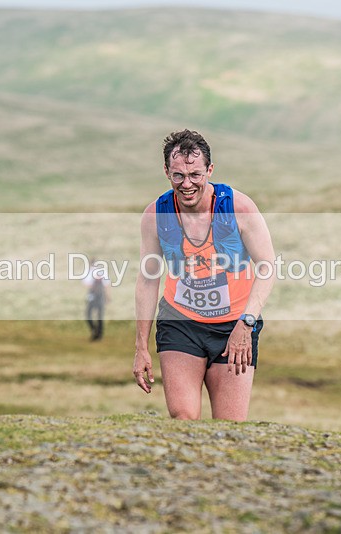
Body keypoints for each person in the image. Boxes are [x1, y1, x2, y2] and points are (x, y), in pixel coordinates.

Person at [133, 129, 276, 421]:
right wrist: (140, 347)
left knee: (230, 427)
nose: (187, 184)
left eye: (196, 175)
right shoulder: (155, 216)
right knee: (183, 420)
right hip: (180, 323)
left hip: (234, 326)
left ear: (210, 170)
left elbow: (267, 266)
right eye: (178, 176)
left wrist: (245, 325)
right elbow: (148, 279)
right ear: (166, 172)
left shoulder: (239, 208)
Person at [83, 258, 110, 341]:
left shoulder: (89, 272)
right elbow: (106, 285)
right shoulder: (101, 272)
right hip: (99, 295)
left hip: (94, 296)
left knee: (89, 314)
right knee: (99, 315)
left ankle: (96, 331)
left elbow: (86, 284)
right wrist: (108, 296)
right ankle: (98, 333)